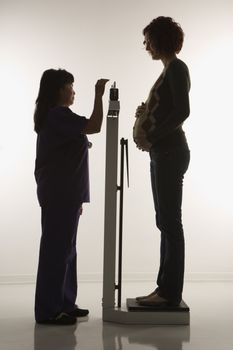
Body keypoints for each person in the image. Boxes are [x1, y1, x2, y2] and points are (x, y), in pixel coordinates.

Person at [33, 68, 108, 325]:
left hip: (66, 194)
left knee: (67, 250)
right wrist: (99, 95)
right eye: (70, 86)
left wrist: (76, 199)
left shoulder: (59, 116)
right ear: (58, 90)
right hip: (59, 193)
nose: (73, 90)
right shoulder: (57, 115)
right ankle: (48, 312)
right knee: (56, 250)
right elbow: (95, 126)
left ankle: (65, 303)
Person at [133, 16, 190, 307]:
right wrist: (147, 113)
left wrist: (152, 135)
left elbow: (182, 111)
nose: (146, 46)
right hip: (163, 152)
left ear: (161, 39)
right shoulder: (168, 70)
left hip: (170, 152)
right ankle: (163, 288)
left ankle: (170, 293)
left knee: (170, 222)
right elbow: (168, 108)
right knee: (164, 221)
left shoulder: (177, 68)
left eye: (149, 40)